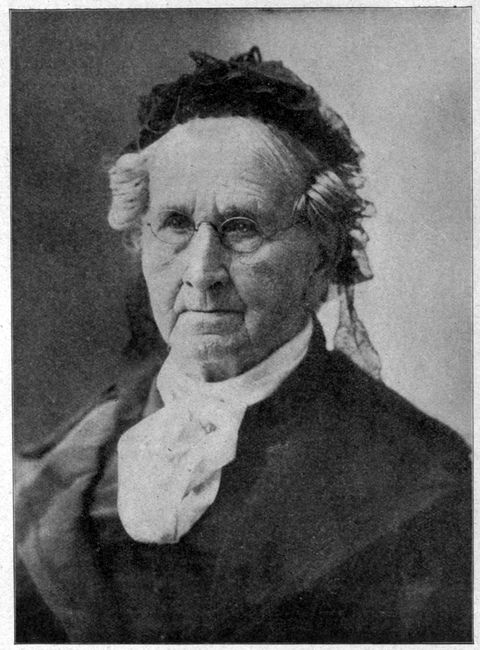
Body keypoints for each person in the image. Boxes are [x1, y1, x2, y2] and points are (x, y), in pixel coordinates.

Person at [15, 47, 471, 643]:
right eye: (175, 225)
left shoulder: (423, 479)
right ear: (140, 241)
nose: (201, 272)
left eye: (241, 228)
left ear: (321, 256)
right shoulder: (56, 471)